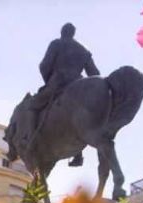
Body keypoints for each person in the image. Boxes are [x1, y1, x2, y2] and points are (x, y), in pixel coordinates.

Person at [36, 23, 100, 166]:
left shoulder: (56, 44)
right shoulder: (83, 50)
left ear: (62, 32)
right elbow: (95, 74)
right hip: (78, 84)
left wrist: (48, 80)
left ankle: (33, 139)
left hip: (58, 82)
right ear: (73, 33)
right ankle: (79, 155)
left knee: (34, 105)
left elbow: (44, 65)